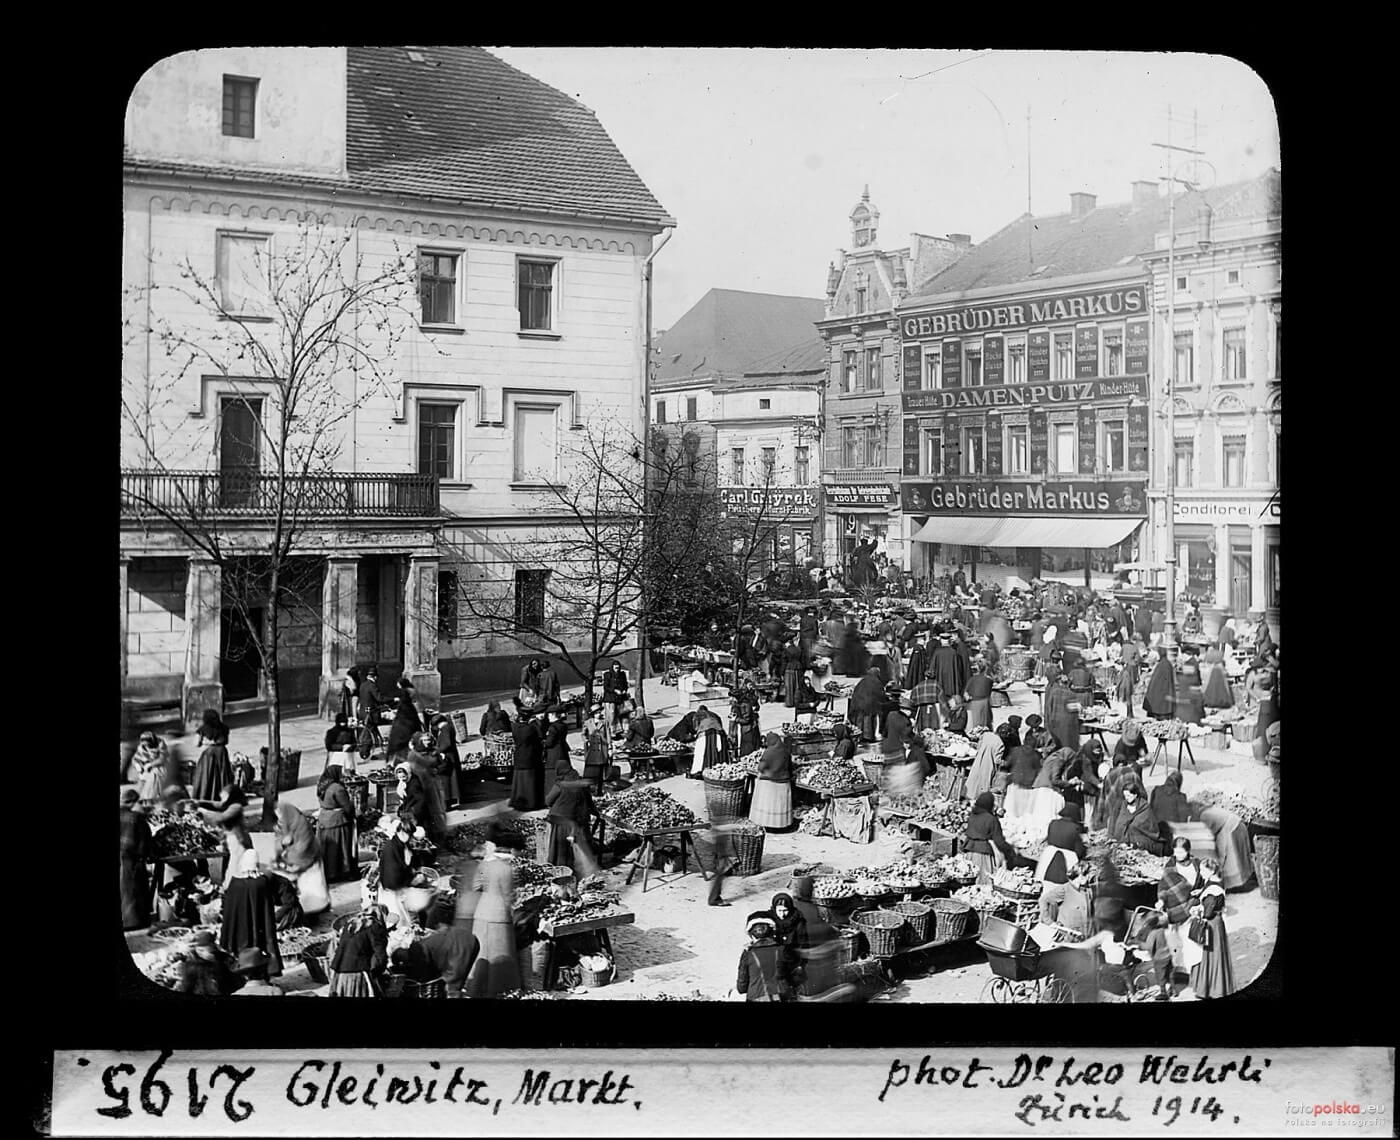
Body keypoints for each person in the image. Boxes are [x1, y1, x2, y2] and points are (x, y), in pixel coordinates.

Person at [464, 822, 522, 998]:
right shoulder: (507, 869)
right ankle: (499, 992)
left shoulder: (484, 865)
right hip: (499, 916)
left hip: (482, 913)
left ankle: (475, 989)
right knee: (500, 958)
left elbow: (475, 886)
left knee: (481, 955)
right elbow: (508, 896)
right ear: (510, 851)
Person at [219, 850, 284, 978]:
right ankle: (262, 976)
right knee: (257, 954)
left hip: (238, 931)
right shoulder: (261, 882)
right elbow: (267, 910)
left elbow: (228, 911)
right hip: (259, 927)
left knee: (239, 953)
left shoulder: (235, 883)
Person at [1157, 836, 1203, 985]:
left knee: (1193, 940)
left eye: (1182, 852)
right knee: (1177, 941)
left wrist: (1201, 891)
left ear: (1188, 851)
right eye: (1176, 851)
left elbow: (1205, 881)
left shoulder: (1197, 864)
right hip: (1176, 909)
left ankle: (1194, 971)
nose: (1178, 855)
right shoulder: (1169, 867)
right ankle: (1180, 973)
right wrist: (1161, 901)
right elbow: (1163, 888)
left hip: (1194, 906)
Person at [392, 919, 479, 997]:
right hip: (467, 940)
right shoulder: (417, 947)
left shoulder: (416, 952)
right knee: (454, 983)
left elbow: (424, 975)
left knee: (453, 987)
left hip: (460, 946)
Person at [1188, 858, 1235, 998]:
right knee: (1214, 956)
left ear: (1211, 870)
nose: (1201, 873)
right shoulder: (1215, 881)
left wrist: (1196, 910)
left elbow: (1208, 912)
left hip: (1212, 924)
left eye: (1203, 870)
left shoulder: (1213, 890)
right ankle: (1213, 987)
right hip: (1217, 922)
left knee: (1210, 955)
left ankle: (1211, 990)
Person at [274, 801, 330, 916]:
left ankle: (312, 913)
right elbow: (279, 838)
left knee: (312, 891)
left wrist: (292, 856)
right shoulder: (285, 822)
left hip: (308, 860)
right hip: (297, 861)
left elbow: (304, 845)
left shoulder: (301, 825)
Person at [1036, 803, 1087, 924]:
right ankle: (1055, 920)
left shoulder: (1053, 823)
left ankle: (1043, 918)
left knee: (1046, 890)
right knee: (1060, 893)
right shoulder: (1075, 828)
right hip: (1065, 861)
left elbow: (1049, 839)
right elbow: (1079, 850)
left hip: (1049, 858)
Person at [546, 778, 602, 877]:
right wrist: (596, 813)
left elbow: (548, 801)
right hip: (578, 820)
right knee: (576, 847)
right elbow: (590, 804)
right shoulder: (582, 786)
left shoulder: (560, 785)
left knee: (561, 847)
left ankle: (562, 869)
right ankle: (574, 870)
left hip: (562, 820)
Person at [329, 904, 389, 997]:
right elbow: (380, 955)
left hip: (340, 972)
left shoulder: (350, 924)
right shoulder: (374, 926)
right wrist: (379, 972)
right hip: (357, 972)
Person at [735, 911, 793, 1001]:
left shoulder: (748, 954)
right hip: (782, 995)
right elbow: (792, 976)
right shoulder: (782, 949)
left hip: (756, 996)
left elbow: (741, 987)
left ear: (751, 934)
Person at [316, 764, 359, 884]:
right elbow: (347, 807)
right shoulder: (337, 789)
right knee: (340, 849)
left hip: (324, 819)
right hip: (338, 822)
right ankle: (341, 872)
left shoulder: (321, 786)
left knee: (327, 849)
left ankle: (327, 872)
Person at [963, 792, 1020, 881]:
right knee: (984, 881)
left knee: (970, 877)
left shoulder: (972, 815)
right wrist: (1010, 850)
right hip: (983, 854)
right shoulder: (991, 819)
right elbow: (999, 841)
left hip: (970, 851)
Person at [377, 815, 420, 928]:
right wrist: (411, 876)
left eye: (410, 834)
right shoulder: (391, 848)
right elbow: (393, 876)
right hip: (392, 891)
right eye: (406, 833)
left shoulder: (402, 845)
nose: (408, 837)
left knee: (403, 920)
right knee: (398, 922)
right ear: (399, 831)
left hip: (397, 888)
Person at [119, 789, 153, 931]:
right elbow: (144, 845)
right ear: (133, 802)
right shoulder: (137, 818)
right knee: (132, 893)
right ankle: (132, 923)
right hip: (130, 861)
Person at [751, 731, 793, 832]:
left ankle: (767, 825)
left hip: (769, 782)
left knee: (767, 804)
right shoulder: (785, 751)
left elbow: (761, 767)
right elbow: (790, 766)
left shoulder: (769, 752)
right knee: (780, 806)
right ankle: (781, 825)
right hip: (784, 781)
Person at [178, 931, 239, 996]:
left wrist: (217, 964)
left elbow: (235, 979)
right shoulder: (191, 965)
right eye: (201, 950)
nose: (206, 953)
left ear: (213, 945)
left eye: (209, 949)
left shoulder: (224, 959)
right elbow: (186, 986)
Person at [509, 710, 545, 812]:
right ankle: (531, 803)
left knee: (519, 782)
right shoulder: (531, 728)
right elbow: (540, 736)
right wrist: (536, 722)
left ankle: (518, 801)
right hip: (530, 757)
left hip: (519, 756)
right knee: (530, 782)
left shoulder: (515, 727)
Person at [1114, 780, 1164, 854]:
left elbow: (1148, 826)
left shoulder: (1144, 807)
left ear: (1135, 795)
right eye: (1125, 796)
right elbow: (1120, 822)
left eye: (1128, 795)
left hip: (1142, 839)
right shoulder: (1124, 805)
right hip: (1125, 839)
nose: (1126, 798)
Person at [385, 676, 424, 763]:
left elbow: (416, 704)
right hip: (410, 721)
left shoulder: (408, 694)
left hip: (403, 725)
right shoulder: (411, 693)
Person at [191, 728, 234, 803]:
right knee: (222, 776)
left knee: (206, 777)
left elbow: (197, 743)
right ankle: (223, 797)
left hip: (208, 754)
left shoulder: (202, 729)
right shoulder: (224, 728)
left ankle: (206, 797)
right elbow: (226, 741)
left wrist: (206, 741)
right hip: (221, 753)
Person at [430, 713, 462, 809]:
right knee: (452, 780)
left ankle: (450, 800)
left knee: (449, 779)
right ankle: (453, 799)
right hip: (451, 756)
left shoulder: (445, 729)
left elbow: (446, 744)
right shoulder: (448, 727)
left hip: (448, 758)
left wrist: (437, 751)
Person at [965, 726, 1005, 803]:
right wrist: (1004, 762)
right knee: (983, 785)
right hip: (988, 766)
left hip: (978, 762)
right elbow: (997, 760)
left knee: (974, 783)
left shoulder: (986, 735)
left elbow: (979, 747)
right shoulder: (1000, 743)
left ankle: (970, 800)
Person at [128, 731, 170, 802]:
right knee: (142, 781)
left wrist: (151, 765)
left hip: (159, 768)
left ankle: (153, 797)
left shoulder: (160, 744)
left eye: (149, 745)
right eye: (145, 745)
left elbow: (162, 758)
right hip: (145, 769)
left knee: (155, 776)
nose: (147, 746)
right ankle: (140, 798)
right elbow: (135, 759)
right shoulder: (141, 748)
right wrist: (138, 765)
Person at [1042, 673, 1079, 751]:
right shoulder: (1072, 695)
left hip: (1055, 721)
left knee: (1056, 743)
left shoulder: (1053, 692)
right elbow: (1074, 714)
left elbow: (1049, 708)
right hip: (1067, 724)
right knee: (1068, 744)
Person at [848, 667, 885, 744]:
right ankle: (868, 736)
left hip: (858, 704)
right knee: (870, 719)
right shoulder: (877, 682)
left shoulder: (862, 681)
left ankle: (860, 736)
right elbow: (881, 695)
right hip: (870, 706)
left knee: (860, 720)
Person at [542, 707, 573, 797]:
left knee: (553, 776)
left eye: (549, 715)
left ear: (553, 715)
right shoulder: (563, 725)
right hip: (563, 751)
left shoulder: (552, 727)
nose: (548, 717)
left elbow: (549, 742)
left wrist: (544, 741)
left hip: (554, 754)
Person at [690, 708, 730, 778]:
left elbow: (695, 728)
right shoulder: (714, 714)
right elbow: (720, 724)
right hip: (719, 732)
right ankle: (719, 769)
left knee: (702, 752)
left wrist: (695, 735)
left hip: (706, 733)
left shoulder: (697, 715)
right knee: (718, 751)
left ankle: (701, 770)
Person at [582, 705, 613, 792]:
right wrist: (586, 740)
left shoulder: (604, 722)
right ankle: (590, 788)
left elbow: (608, 735)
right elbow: (583, 733)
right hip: (592, 749)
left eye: (599, 712)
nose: (598, 714)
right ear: (593, 714)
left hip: (602, 748)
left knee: (601, 769)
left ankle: (599, 789)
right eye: (596, 713)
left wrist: (610, 747)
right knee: (591, 769)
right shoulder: (588, 722)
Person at [730, 685, 761, 756]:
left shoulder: (745, 705)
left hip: (749, 730)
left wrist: (736, 719)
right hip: (745, 729)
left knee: (748, 750)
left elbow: (747, 720)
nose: (731, 699)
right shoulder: (738, 704)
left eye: (732, 697)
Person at [357, 667, 383, 749]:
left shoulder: (363, 685)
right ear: (375, 677)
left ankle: (377, 743)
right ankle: (371, 746)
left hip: (362, 711)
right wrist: (393, 699)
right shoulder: (372, 686)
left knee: (370, 729)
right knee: (370, 730)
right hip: (370, 712)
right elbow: (379, 698)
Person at [602, 662, 630, 733]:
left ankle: (624, 728)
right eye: (615, 668)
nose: (617, 670)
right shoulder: (608, 675)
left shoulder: (622, 674)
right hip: (611, 697)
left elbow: (625, 684)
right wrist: (614, 690)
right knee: (612, 713)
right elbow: (606, 687)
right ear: (613, 667)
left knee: (623, 713)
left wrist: (624, 690)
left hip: (621, 697)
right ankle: (612, 730)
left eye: (618, 668)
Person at [964, 664, 993, 731]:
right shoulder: (988, 680)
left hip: (974, 702)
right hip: (985, 702)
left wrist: (969, 698)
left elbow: (966, 694)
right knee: (985, 722)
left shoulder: (972, 679)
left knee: (976, 723)